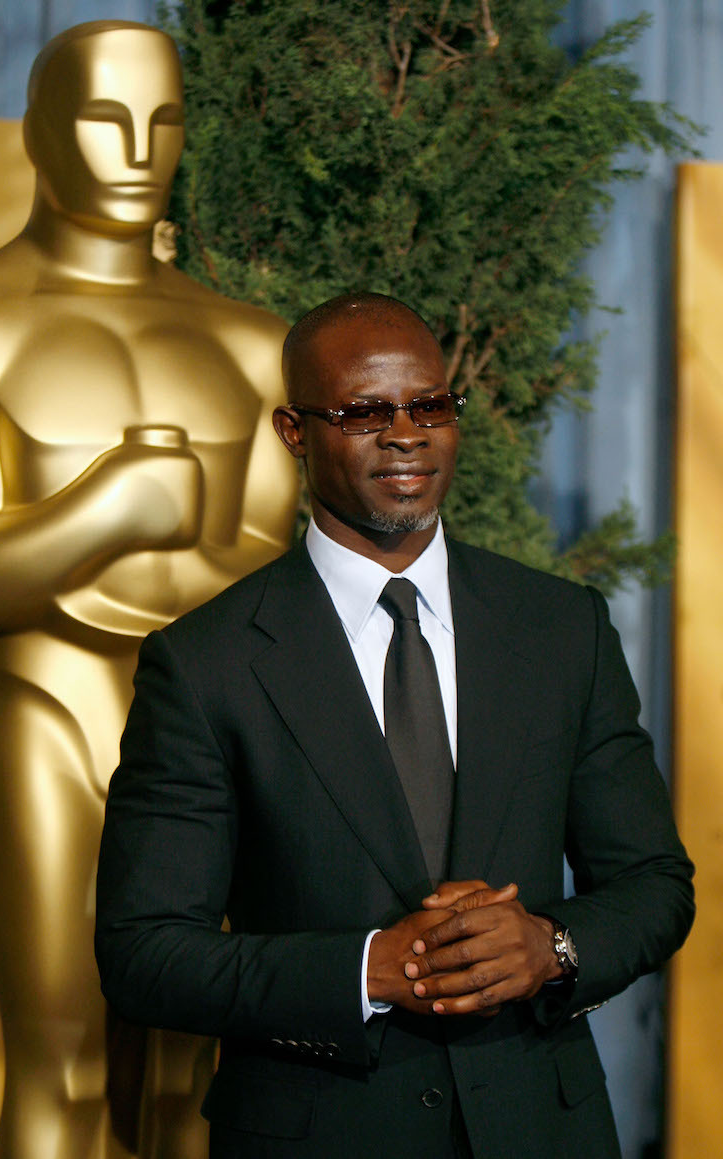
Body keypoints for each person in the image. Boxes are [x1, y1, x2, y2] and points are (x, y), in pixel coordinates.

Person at [95, 292, 694, 1158]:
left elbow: (653, 883)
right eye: (366, 411)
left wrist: (549, 946)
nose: (406, 432)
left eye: (430, 405)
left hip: (542, 1128)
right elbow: (144, 952)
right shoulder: (205, 663)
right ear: (294, 432)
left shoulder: (563, 628)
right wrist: (367, 968)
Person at [0, 20, 296, 1159]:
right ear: (37, 135)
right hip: (53, 712)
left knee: (197, 1083)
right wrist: (109, 509)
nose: (137, 147)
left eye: (164, 119)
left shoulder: (248, 342)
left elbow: (288, 590)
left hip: (215, 741)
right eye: (101, 117)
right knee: (68, 1074)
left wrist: (101, 546)